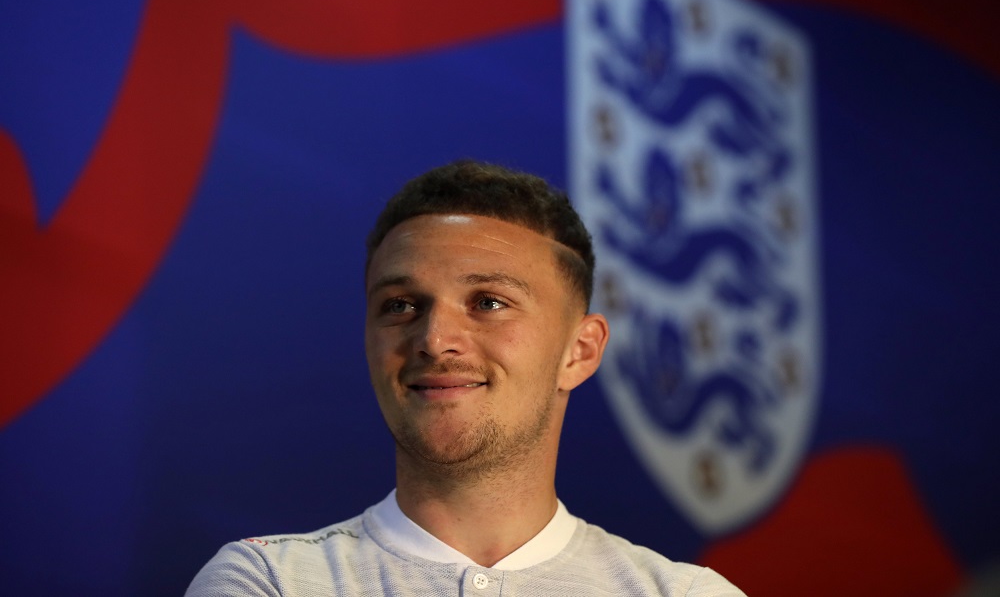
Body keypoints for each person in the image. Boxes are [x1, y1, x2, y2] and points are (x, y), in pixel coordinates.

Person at [186, 160, 746, 596]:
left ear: (579, 351)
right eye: (401, 305)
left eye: (488, 302)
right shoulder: (267, 581)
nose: (433, 339)